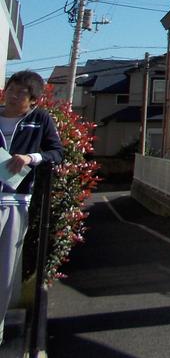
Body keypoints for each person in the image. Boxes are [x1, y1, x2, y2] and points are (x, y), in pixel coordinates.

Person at [1, 71, 63, 343]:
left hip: (15, 201)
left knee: (5, 270)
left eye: (20, 93)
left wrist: (30, 157)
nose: (13, 96)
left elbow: (56, 152)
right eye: (11, 89)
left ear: (34, 100)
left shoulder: (40, 120)